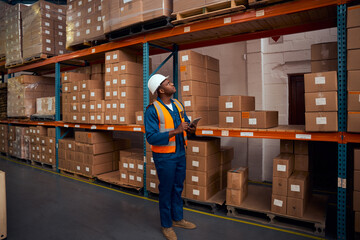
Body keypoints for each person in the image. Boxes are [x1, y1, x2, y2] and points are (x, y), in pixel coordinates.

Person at [145, 74, 197, 240]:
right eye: (168, 83)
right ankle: (166, 225)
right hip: (165, 157)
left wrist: (191, 128)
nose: (172, 84)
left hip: (181, 153)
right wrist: (176, 130)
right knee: (166, 190)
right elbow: (151, 137)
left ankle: (178, 218)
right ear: (161, 90)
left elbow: (186, 122)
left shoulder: (178, 104)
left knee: (178, 187)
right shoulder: (152, 110)